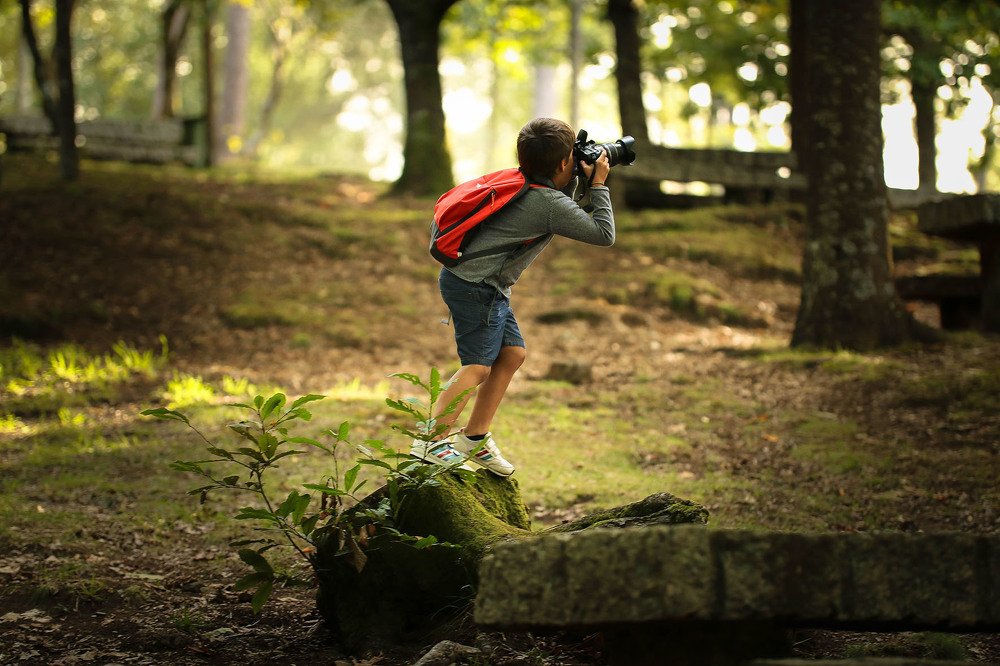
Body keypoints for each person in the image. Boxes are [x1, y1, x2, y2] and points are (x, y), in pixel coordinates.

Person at [412, 117, 615, 476]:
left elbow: (556, 205)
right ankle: (429, 441)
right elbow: (603, 234)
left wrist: (578, 179)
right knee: (477, 365)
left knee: (512, 354)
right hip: (477, 287)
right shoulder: (547, 203)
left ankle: (473, 438)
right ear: (564, 163)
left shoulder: (522, 182)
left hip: (475, 283)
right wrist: (598, 183)